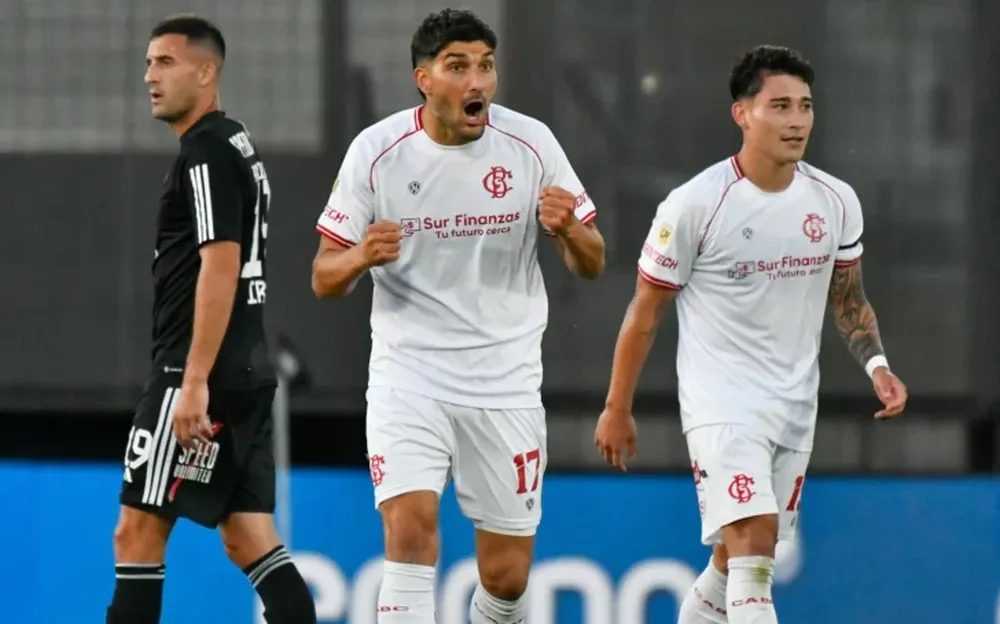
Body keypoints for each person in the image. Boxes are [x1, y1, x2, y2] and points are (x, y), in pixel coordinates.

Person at [594, 45, 908, 624]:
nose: (797, 120)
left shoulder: (835, 201)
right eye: (780, 105)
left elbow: (849, 300)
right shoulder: (695, 205)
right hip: (721, 404)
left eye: (806, 106)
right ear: (742, 113)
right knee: (756, 546)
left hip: (793, 405)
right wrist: (618, 406)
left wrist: (877, 366)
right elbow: (645, 313)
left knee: (729, 560)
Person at [311, 9, 605, 623]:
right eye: (458, 67)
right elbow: (323, 276)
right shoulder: (376, 152)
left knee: (506, 577)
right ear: (424, 79)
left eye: (486, 66)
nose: (477, 82)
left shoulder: (531, 145)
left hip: (505, 381)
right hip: (408, 374)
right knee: (411, 536)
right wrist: (361, 255)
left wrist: (569, 230)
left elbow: (593, 263)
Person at [107, 15, 316, 624]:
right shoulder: (236, 143)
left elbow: (220, 265)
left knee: (135, 536)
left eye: (166, 63)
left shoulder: (203, 153)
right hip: (246, 368)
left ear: (207, 71)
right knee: (249, 537)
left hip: (196, 371)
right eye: (148, 63)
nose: (150, 76)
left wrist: (192, 380)